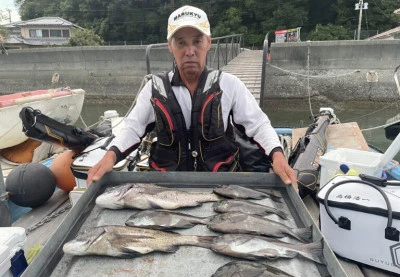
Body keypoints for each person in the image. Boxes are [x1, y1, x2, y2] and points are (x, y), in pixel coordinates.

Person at [87, 5, 298, 190]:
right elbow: (132, 128)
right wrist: (109, 157)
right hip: (167, 187)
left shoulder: (230, 85)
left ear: (208, 42)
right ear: (170, 46)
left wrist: (278, 157)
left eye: (197, 41)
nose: (190, 51)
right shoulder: (154, 88)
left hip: (221, 186)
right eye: (181, 43)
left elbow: (259, 125)